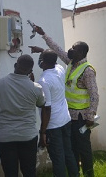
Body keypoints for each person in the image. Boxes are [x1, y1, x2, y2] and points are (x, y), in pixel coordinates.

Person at [30, 25, 99, 177]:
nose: (70, 50)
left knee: (84, 150)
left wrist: (91, 115)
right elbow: (57, 51)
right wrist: (44, 36)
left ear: (81, 52)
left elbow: (94, 94)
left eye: (74, 49)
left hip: (82, 118)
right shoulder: (70, 64)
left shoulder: (87, 70)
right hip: (69, 117)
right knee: (72, 151)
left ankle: (89, 174)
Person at [0, 55, 48, 177]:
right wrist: (43, 131)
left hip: (5, 137)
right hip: (28, 136)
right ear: (30, 71)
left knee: (10, 172)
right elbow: (43, 105)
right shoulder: (36, 88)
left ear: (15, 65)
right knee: (29, 172)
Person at [37, 49, 79, 177]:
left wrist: (43, 131)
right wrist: (41, 51)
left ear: (43, 62)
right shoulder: (60, 68)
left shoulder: (43, 81)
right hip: (65, 120)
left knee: (57, 158)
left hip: (53, 124)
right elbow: (51, 57)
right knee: (68, 153)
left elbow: (47, 108)